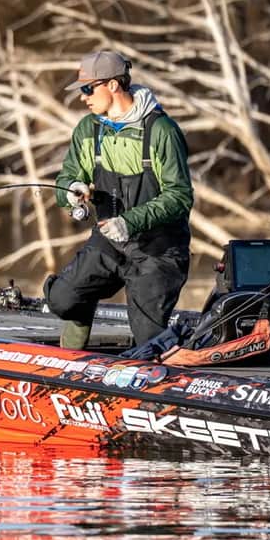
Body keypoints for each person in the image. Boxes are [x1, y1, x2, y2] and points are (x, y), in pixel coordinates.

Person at [44, 50, 194, 350]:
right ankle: (81, 314)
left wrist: (129, 222)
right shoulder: (89, 128)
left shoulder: (162, 131)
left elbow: (180, 196)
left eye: (88, 89)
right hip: (108, 243)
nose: (83, 97)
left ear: (113, 85)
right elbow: (64, 181)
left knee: (149, 343)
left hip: (158, 252)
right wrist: (71, 190)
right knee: (61, 299)